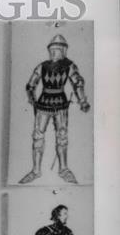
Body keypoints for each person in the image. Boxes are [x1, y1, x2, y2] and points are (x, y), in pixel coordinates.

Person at [19, 34, 90, 185]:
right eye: (51, 49)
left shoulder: (69, 65)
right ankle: (36, 170)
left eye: (57, 49)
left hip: (60, 104)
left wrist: (82, 100)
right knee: (38, 136)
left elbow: (78, 82)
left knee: (62, 136)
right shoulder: (42, 66)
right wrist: (31, 96)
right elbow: (31, 83)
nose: (53, 52)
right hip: (43, 104)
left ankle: (63, 169)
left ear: (64, 50)